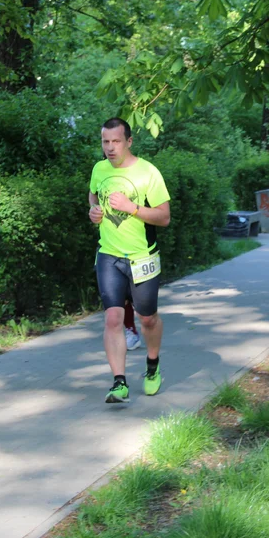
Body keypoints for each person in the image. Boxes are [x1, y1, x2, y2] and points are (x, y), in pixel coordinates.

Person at [88, 117, 171, 403]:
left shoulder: (149, 173)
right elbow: (93, 196)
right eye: (105, 142)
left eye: (116, 142)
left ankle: (152, 366)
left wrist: (132, 207)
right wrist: (94, 212)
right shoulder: (99, 169)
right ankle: (119, 383)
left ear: (129, 142)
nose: (110, 148)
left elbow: (164, 217)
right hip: (109, 254)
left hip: (142, 257)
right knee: (113, 317)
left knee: (147, 319)